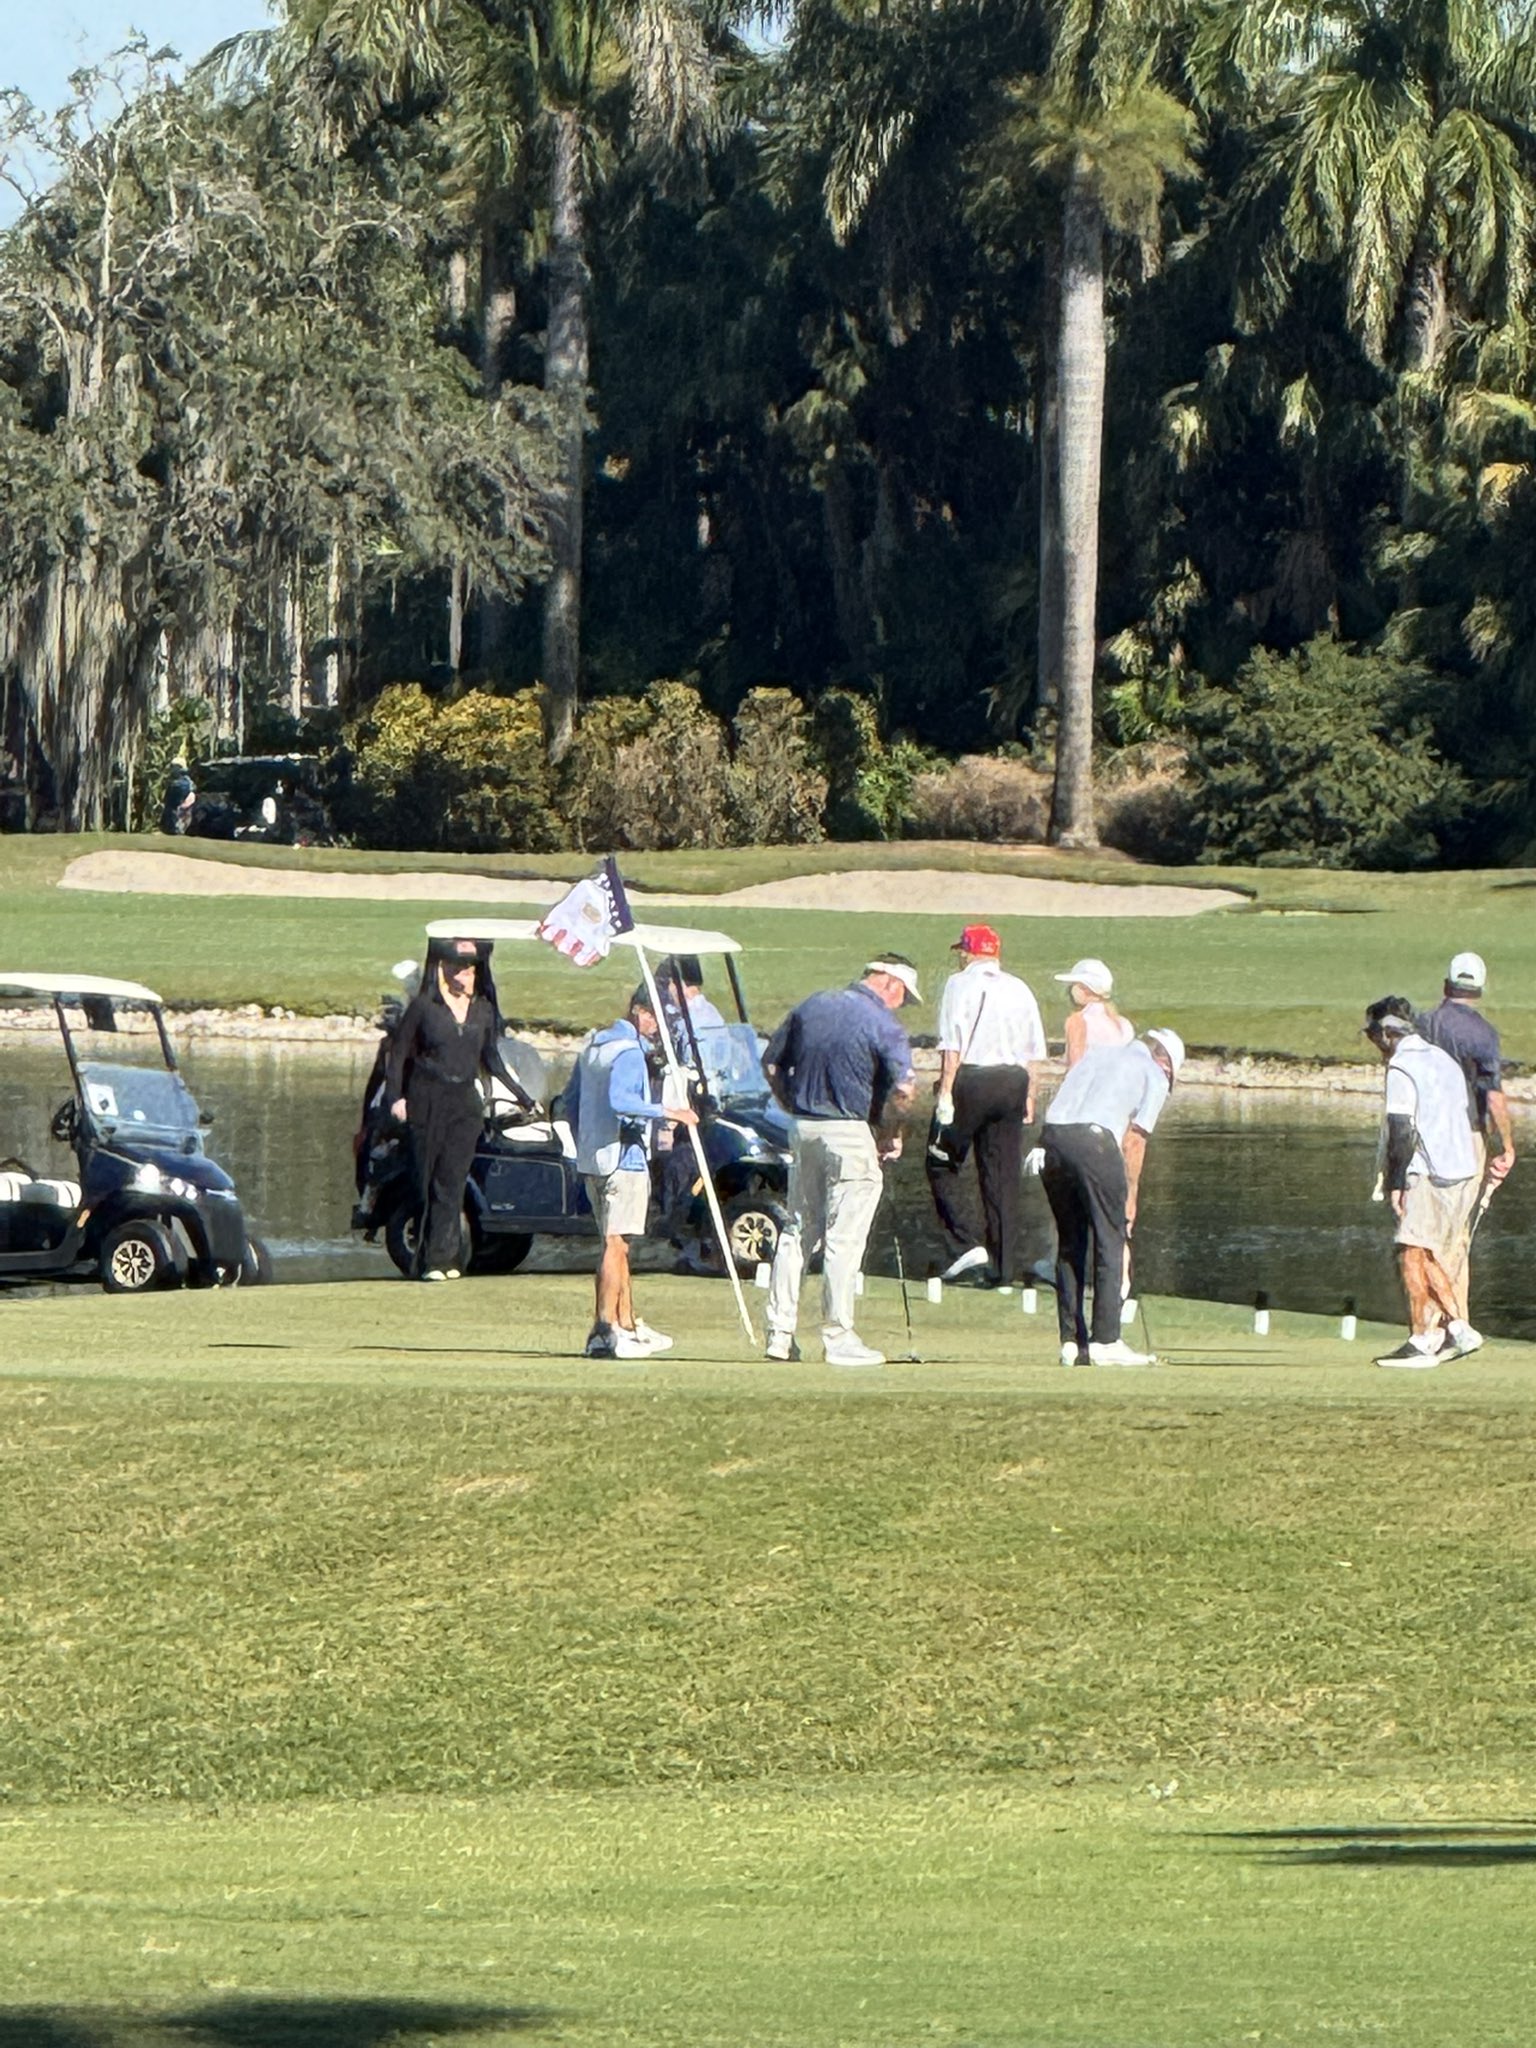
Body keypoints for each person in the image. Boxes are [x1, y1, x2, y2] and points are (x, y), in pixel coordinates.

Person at [762, 954, 920, 1367]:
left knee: (798, 1230)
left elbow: (772, 1063)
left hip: (804, 1127)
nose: (900, 1005)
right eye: (903, 995)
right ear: (890, 983)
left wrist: (790, 1106)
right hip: (850, 1131)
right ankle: (838, 1335)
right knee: (843, 1238)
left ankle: (779, 1333)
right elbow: (904, 1091)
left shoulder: (814, 1003)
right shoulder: (883, 1022)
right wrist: (890, 1136)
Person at [384, 937, 529, 1281]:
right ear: (442, 969)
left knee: (451, 1183)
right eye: (455, 967)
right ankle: (424, 1259)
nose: (461, 974)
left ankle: (442, 1259)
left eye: (468, 968)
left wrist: (522, 1096)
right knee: (426, 1183)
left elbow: (491, 1059)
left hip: (464, 1103)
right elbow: (399, 1055)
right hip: (427, 1098)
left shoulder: (482, 1011)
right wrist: (395, 1098)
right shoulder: (423, 1008)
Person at [566, 986, 698, 1359]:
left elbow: (571, 1101)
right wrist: (670, 1111)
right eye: (655, 1017)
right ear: (639, 1012)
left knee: (619, 1246)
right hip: (624, 1159)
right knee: (614, 1244)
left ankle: (627, 1323)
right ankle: (604, 1329)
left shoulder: (594, 1046)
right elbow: (622, 1102)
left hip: (592, 1158)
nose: (658, 1027)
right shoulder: (628, 1053)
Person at [1040, 1027, 1185, 1367]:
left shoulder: (1099, 1053)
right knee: (1110, 1238)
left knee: (1070, 1242)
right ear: (1165, 1062)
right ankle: (1106, 1339)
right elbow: (1135, 1140)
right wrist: (1130, 1196)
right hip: (1094, 1141)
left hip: (1050, 1141)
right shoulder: (1155, 1074)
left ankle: (1072, 1342)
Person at [1363, 995, 1483, 1367]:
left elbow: (1401, 1129)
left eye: (1372, 1035)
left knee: (1412, 1250)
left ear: (1386, 1034)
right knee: (1423, 1251)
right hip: (1462, 1169)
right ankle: (1450, 1331)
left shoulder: (1402, 1065)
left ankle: (1430, 1336)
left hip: (1431, 1171)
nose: (1373, 1044)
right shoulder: (1441, 1058)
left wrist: (1396, 1183)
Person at [927, 924, 1046, 1286]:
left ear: (970, 952)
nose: (960, 957)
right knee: (1001, 1178)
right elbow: (1034, 1051)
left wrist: (945, 1094)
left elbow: (953, 1044)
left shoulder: (958, 983)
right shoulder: (1019, 987)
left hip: (973, 1079)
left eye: (962, 951)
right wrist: (1030, 1098)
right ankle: (1003, 1268)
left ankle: (965, 1245)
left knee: (940, 1161)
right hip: (1013, 1082)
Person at [1416, 950, 1514, 1330]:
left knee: (1427, 1232)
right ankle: (1452, 1323)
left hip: (1426, 1137)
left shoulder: (1423, 1025)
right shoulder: (1484, 1034)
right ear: (1480, 990)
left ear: (1446, 985)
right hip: (1468, 1136)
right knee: (1457, 1235)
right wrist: (1507, 1144)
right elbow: (1493, 1095)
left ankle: (1434, 1321)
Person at [1055, 957, 1134, 1068]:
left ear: (1084, 988)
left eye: (1073, 985)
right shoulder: (1123, 1024)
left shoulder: (1078, 1022)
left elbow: (1076, 1069)